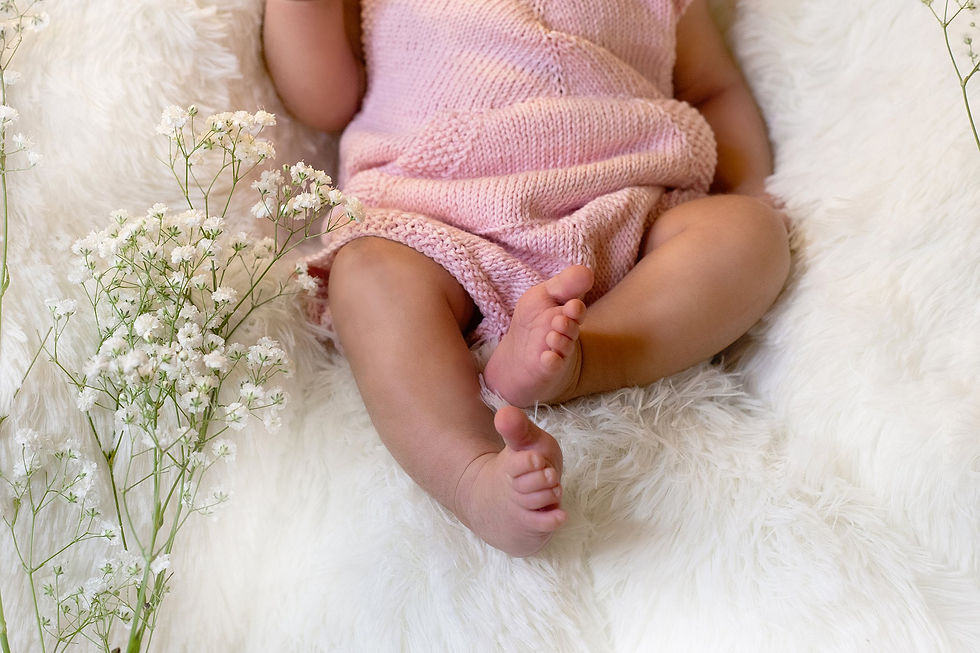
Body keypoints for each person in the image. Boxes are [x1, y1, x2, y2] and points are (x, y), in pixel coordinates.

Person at [263, 0, 791, 557]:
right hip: (436, 215)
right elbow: (325, 99)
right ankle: (470, 473)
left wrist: (748, 181)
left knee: (749, 233)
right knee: (368, 272)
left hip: (626, 203)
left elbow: (712, 89)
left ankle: (586, 355)